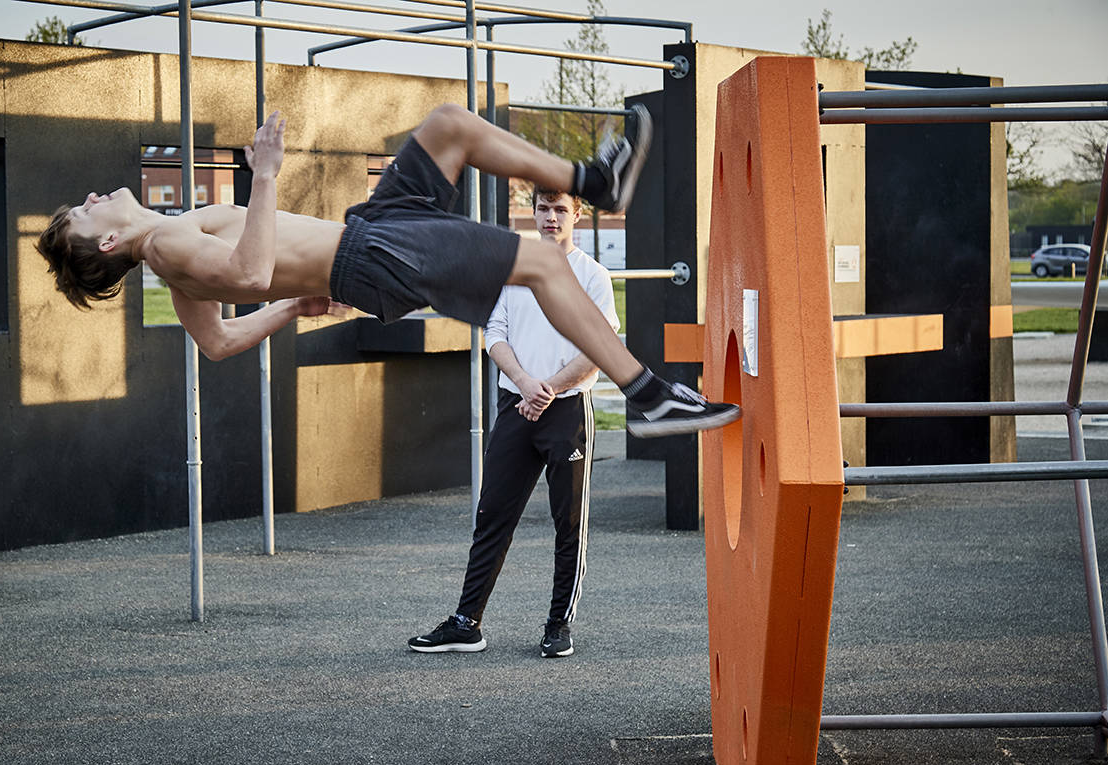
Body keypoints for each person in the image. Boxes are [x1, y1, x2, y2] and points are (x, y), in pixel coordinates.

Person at [36, 103, 739, 436]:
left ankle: (593, 179)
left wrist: (291, 306)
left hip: (367, 233)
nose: (94, 198)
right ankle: (648, 397)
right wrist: (267, 175)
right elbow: (250, 273)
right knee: (539, 263)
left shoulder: (169, 245)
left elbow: (217, 342)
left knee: (448, 127)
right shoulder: (162, 248)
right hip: (369, 258)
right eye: (85, 211)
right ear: (104, 246)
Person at [408, 187, 614, 658]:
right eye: (543, 208)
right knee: (492, 516)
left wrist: (549, 389)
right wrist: (524, 383)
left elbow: (597, 350)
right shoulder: (514, 272)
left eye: (561, 209)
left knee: (569, 524)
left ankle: (558, 625)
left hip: (566, 413)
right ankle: (466, 623)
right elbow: (494, 335)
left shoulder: (593, 277)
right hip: (516, 405)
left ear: (576, 216)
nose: (550, 218)